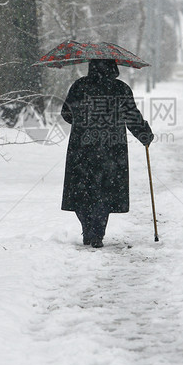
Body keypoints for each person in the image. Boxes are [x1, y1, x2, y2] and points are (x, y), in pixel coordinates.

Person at [60, 59, 154, 248]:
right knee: (105, 191)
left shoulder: (79, 86)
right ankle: (97, 232)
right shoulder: (121, 88)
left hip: (82, 147)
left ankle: (88, 229)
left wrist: (84, 120)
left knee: (82, 190)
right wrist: (144, 134)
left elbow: (66, 114)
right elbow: (131, 115)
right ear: (114, 67)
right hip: (112, 148)